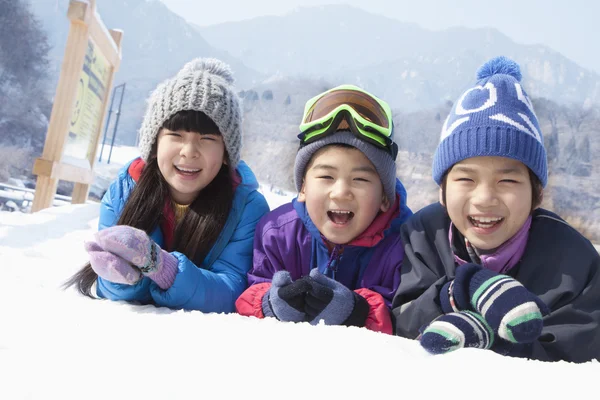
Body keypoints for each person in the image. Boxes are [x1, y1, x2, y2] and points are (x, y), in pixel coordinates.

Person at [391, 56, 600, 362]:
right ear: (442, 190)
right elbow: (403, 320)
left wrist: (487, 339)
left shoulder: (574, 261)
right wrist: (455, 293)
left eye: (507, 180)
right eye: (466, 178)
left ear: (536, 194)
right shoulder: (424, 236)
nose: (484, 198)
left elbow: (574, 355)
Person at [65, 58, 270, 313]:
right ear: (154, 142)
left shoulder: (247, 208)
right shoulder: (125, 191)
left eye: (207, 138)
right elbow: (112, 293)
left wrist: (162, 267)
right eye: (176, 135)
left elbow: (233, 290)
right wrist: (120, 276)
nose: (189, 152)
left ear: (227, 152)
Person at [235, 84, 412, 334]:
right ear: (303, 187)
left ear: (385, 197)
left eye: (360, 180)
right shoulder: (277, 233)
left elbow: (409, 315)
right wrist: (269, 303)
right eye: (326, 177)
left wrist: (359, 311)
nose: (340, 192)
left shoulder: (404, 244)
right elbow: (251, 291)